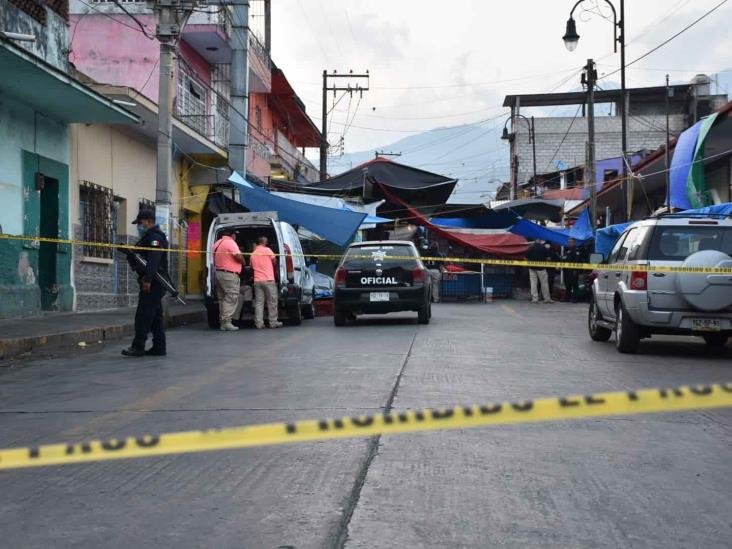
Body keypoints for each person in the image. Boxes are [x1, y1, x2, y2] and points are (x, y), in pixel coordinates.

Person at [122, 210, 169, 357]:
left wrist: (147, 280)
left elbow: (154, 260)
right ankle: (159, 347)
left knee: (143, 315)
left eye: (140, 223)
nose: (139, 226)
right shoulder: (149, 237)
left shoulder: (155, 238)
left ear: (148, 221)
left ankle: (138, 346)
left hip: (154, 282)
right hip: (153, 282)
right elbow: (142, 256)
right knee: (155, 316)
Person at [213, 228, 246, 331]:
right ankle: (226, 321)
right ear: (233, 235)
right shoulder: (230, 242)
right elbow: (238, 256)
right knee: (231, 297)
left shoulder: (217, 243)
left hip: (219, 273)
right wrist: (244, 263)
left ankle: (223, 322)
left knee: (223, 298)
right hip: (229, 275)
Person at [250, 236, 282, 329]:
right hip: (268, 279)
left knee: (259, 303)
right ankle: (273, 322)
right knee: (272, 301)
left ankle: (259, 324)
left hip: (257, 280)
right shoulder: (267, 250)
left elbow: (251, 267)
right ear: (264, 242)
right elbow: (274, 260)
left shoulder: (253, 253)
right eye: (266, 240)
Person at [526, 239, 554, 304]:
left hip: (532, 268)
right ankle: (546, 298)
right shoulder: (543, 248)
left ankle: (535, 298)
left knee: (533, 283)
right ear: (540, 241)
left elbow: (526, 257)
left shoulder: (530, 247)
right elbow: (548, 258)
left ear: (534, 240)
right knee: (544, 283)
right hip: (541, 268)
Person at [562, 237, 588, 303]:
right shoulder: (567, 250)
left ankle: (575, 298)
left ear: (574, 242)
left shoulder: (576, 250)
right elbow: (564, 259)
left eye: (570, 242)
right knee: (567, 285)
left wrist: (575, 270)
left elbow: (577, 261)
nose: (569, 243)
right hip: (566, 270)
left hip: (573, 270)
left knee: (574, 285)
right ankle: (567, 298)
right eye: (568, 242)